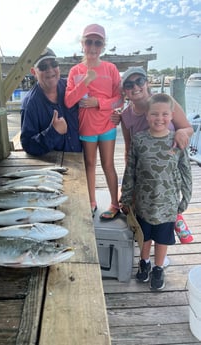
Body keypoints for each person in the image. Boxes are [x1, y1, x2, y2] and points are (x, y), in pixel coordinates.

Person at [112, 66, 193, 267]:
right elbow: (129, 149)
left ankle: (161, 257)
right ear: (125, 91)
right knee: (144, 223)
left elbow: (187, 127)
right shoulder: (126, 115)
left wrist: (183, 133)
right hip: (144, 175)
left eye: (139, 81)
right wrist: (127, 188)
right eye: (129, 84)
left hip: (169, 175)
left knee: (165, 222)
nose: (135, 87)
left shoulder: (165, 101)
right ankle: (146, 260)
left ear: (147, 82)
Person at [120, 93, 192, 290]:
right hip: (143, 202)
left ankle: (158, 268)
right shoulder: (139, 140)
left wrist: (186, 197)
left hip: (168, 204)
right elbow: (130, 170)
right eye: (154, 114)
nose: (159, 118)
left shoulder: (177, 141)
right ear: (147, 116)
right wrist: (125, 197)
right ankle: (144, 263)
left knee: (162, 238)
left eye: (164, 114)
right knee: (144, 236)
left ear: (171, 115)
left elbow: (186, 170)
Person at [65, 24, 123, 218]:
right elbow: (69, 100)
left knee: (108, 165)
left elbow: (120, 99)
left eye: (97, 42)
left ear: (103, 46)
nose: (93, 46)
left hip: (107, 125)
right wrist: (86, 82)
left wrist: (98, 102)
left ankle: (115, 204)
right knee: (89, 164)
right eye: (89, 41)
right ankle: (91, 202)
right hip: (86, 127)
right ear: (82, 44)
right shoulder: (75, 71)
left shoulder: (111, 68)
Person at [20, 47, 82, 156]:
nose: (50, 69)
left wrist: (111, 115)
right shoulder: (30, 104)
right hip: (55, 165)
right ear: (33, 72)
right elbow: (28, 145)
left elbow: (91, 108)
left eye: (54, 64)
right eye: (43, 66)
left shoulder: (72, 87)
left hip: (82, 159)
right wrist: (53, 132)